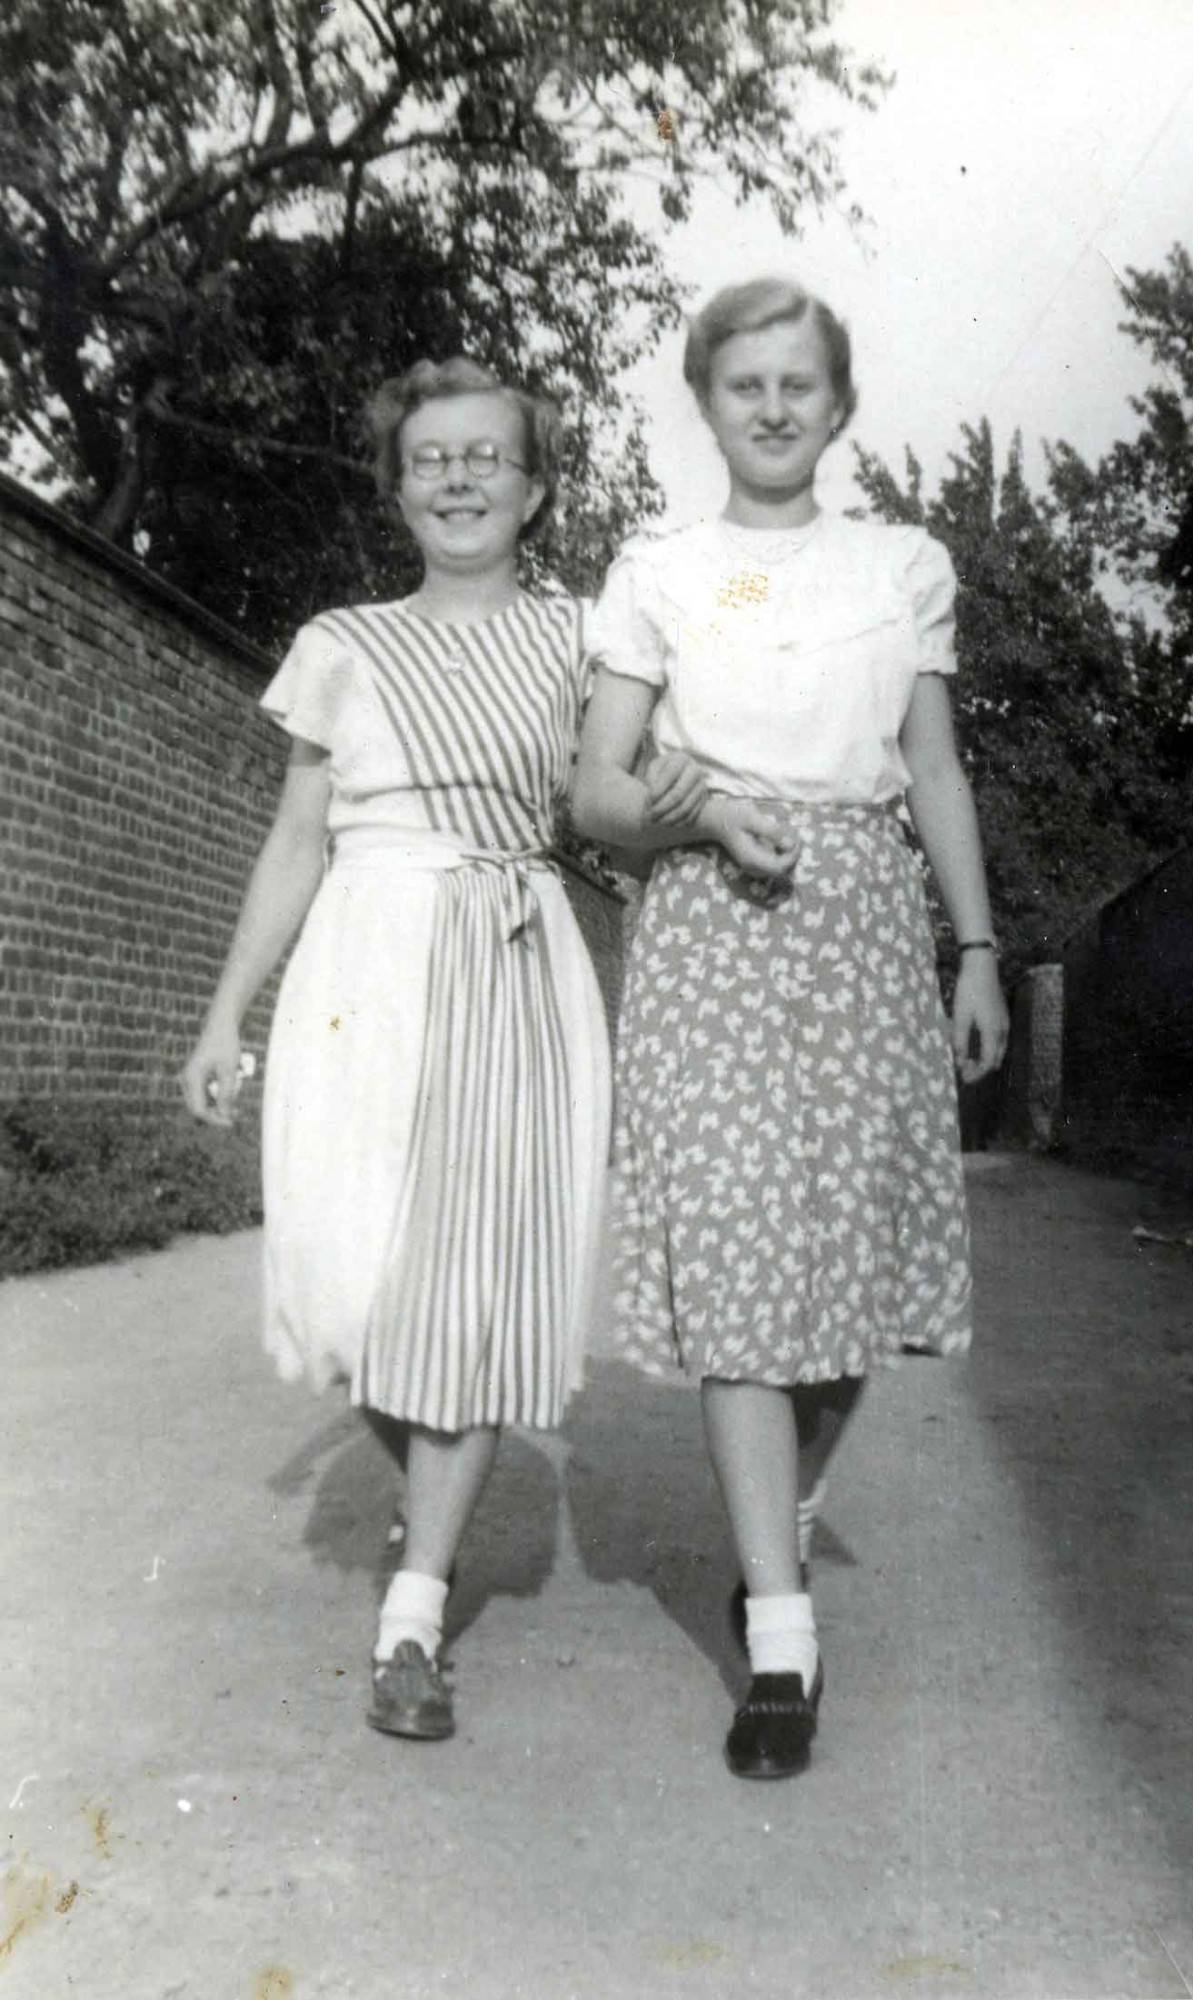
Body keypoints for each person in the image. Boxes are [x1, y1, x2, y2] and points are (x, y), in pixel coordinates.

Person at [181, 357, 703, 1741]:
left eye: (488, 457)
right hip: (364, 963)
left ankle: (412, 1621)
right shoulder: (340, 643)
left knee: (469, 1295)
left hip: (513, 957)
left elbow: (626, 796)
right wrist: (228, 1009)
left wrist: (685, 800)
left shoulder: (583, 640)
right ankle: (433, 1489)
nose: (459, 478)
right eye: (431, 458)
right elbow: (296, 841)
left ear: (534, 491)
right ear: (396, 487)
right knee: (348, 1289)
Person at [572, 279, 1009, 1780]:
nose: (771, 407)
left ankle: (789, 1513)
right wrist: (704, 816)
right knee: (741, 1262)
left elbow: (933, 772)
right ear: (706, 403)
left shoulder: (901, 565)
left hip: (866, 927)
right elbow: (599, 790)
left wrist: (977, 952)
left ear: (839, 405)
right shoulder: (660, 569)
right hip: (710, 927)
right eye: (743, 383)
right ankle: (779, 1640)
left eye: (797, 384)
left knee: (847, 1275)